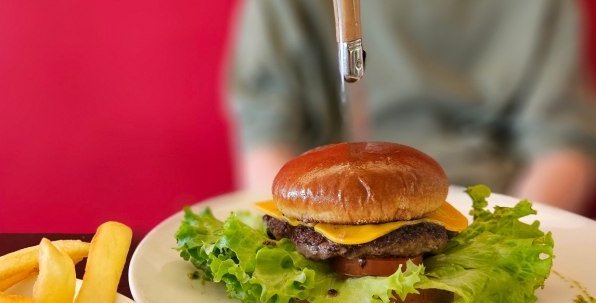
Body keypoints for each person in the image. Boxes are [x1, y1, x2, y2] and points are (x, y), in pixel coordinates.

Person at [227, 0, 596, 215]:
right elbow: (267, 129)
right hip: (329, 203)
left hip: (488, 205)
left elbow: (563, 144)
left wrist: (508, 243)